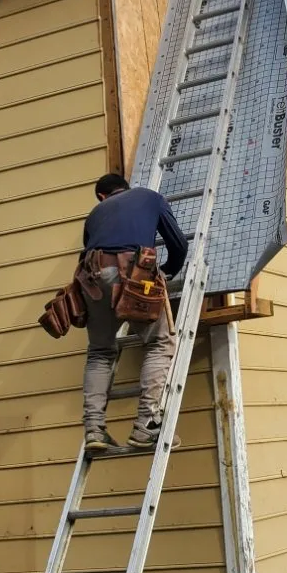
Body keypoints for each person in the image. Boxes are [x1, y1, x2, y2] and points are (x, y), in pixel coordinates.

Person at [78, 173, 188, 452]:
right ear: (123, 188)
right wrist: (167, 272)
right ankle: (146, 426)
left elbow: (86, 252)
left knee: (100, 352)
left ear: (102, 196)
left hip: (91, 278)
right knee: (160, 342)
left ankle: (94, 430)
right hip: (133, 273)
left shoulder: (94, 214)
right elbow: (178, 244)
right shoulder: (149, 197)